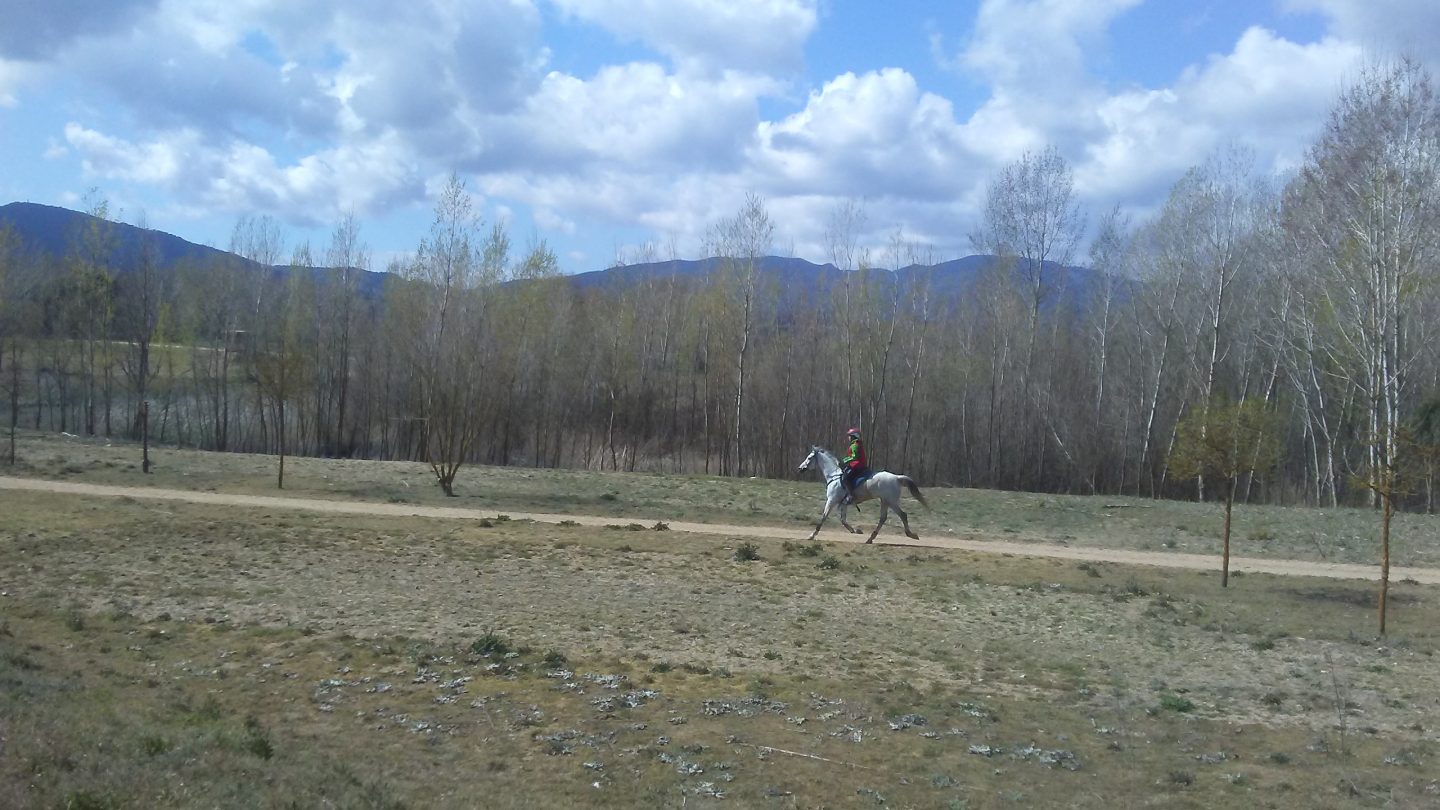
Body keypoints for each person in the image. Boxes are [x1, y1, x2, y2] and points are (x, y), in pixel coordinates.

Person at [840, 427, 868, 502]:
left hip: (857, 465)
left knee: (845, 478)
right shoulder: (857, 444)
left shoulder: (855, 445)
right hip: (859, 464)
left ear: (853, 436)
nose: (848, 438)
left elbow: (854, 457)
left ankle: (851, 495)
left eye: (849, 436)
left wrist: (844, 460)